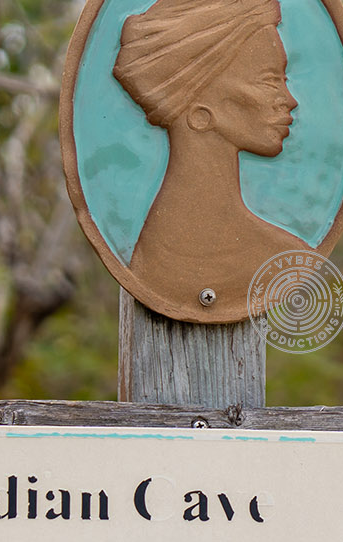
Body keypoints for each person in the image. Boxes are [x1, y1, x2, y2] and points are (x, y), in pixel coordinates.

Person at [113, 0, 307, 315]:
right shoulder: (281, 259)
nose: (290, 100)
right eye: (270, 81)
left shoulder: (281, 258)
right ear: (201, 113)